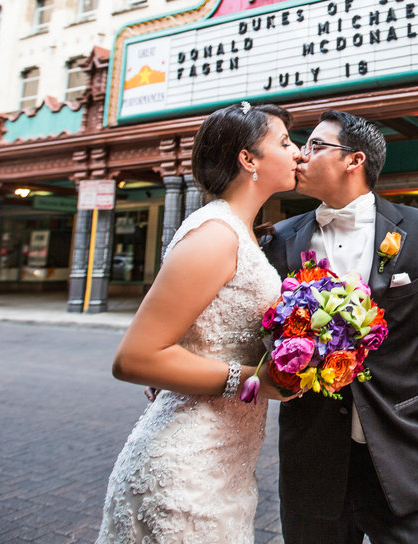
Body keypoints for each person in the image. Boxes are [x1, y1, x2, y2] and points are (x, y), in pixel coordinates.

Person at [264, 110, 418, 544]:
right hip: (312, 458)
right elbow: (251, 327)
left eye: (316, 146)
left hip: (401, 458)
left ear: (354, 160)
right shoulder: (281, 239)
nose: (301, 156)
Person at [97, 102, 302, 544]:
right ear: (248, 159)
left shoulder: (242, 232)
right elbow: (134, 358)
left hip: (226, 464)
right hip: (185, 470)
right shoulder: (215, 234)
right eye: (285, 143)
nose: (298, 152)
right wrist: (254, 381)